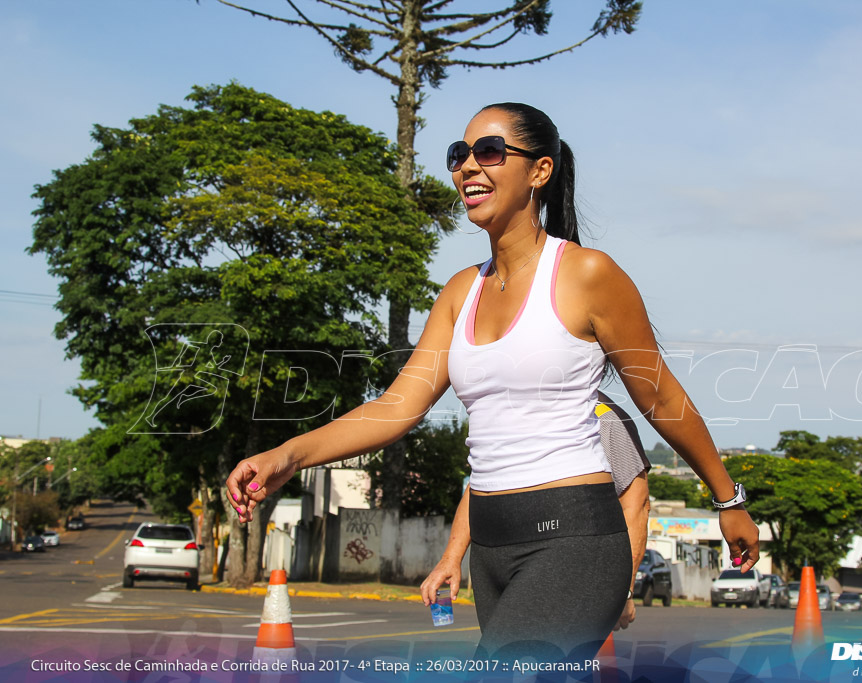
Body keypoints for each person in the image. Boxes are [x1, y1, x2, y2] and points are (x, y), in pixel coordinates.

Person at [226, 102, 760, 661]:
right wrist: (288, 456)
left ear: (540, 170)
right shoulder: (460, 292)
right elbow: (394, 407)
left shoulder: (586, 274)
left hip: (574, 539)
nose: (468, 168)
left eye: (489, 152)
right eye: (460, 156)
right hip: (491, 547)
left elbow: (661, 396)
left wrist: (729, 498)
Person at [419, 391, 653, 634]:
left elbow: (636, 506)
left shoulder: (602, 415)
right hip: (493, 561)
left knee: (506, 658)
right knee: (519, 660)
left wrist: (623, 592)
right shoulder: (513, 407)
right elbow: (478, 485)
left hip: (563, 558)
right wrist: (450, 558)